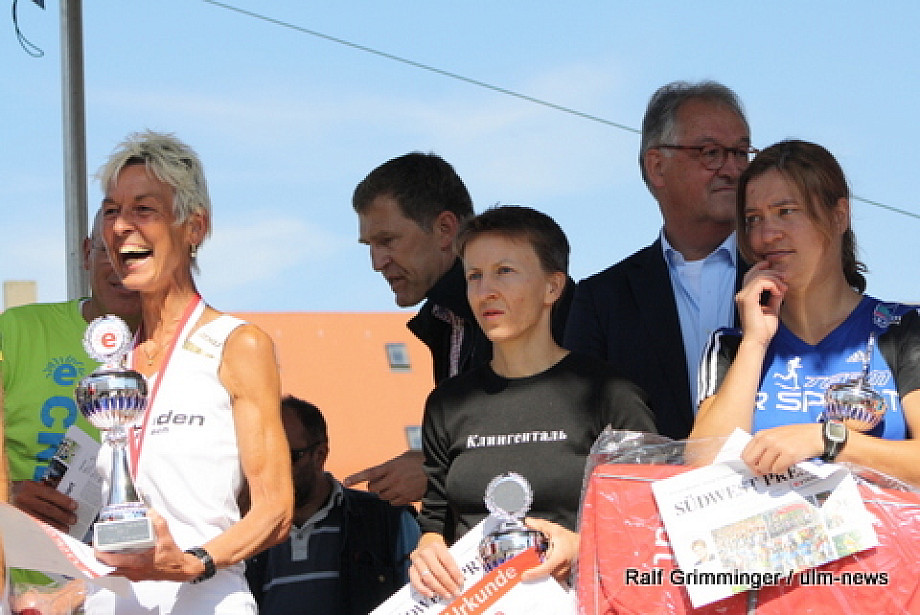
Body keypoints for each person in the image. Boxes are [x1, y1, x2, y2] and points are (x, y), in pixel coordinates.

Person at [84, 130, 292, 614]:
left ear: (194, 227)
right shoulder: (114, 365)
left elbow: (275, 510)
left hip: (203, 600)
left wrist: (192, 562)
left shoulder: (237, 344)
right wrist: (69, 592)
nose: (121, 226)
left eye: (144, 210)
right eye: (112, 210)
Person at [409, 205, 655, 600]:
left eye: (504, 271)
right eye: (474, 276)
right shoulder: (447, 404)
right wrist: (427, 551)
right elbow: (435, 520)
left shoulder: (608, 394)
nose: (486, 290)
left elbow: (649, 522)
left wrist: (582, 549)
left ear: (552, 288)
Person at [691, 140, 920, 484]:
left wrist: (829, 440)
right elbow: (701, 467)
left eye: (786, 211)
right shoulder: (731, 346)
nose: (767, 235)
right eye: (754, 219)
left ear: (839, 216)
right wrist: (755, 342)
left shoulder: (902, 329)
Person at [564, 80, 754, 440]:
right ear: (657, 166)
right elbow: (580, 428)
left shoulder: (787, 279)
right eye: (711, 153)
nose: (732, 169)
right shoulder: (603, 300)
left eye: (741, 153)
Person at [1, 211, 141, 532]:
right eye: (109, 251)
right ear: (87, 253)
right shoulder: (17, 330)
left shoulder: (197, 350)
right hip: (22, 558)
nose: (123, 266)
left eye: (139, 254)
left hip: (144, 556)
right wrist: (6, 494)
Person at [245, 395, 420, 615]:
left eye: (287, 457)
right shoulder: (246, 533)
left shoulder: (385, 520)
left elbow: (425, 598)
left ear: (319, 455)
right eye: (263, 457)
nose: (273, 468)